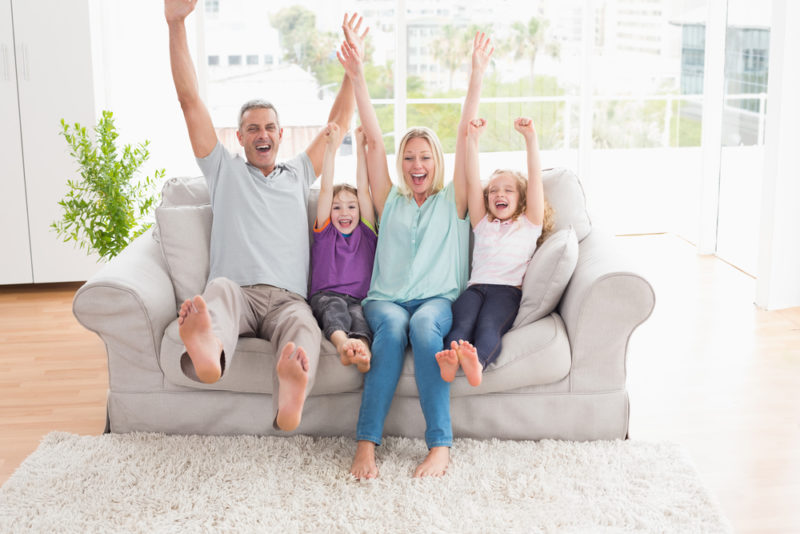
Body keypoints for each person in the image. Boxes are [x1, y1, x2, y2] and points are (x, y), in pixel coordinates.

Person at [164, 0, 367, 432]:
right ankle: (209, 351)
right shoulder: (223, 169)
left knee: (304, 326)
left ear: (280, 134)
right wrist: (176, 23)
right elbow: (189, 101)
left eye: (270, 127)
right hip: (238, 291)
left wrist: (353, 71)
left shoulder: (299, 173)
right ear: (239, 137)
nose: (262, 134)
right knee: (217, 292)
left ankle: (291, 394)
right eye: (253, 128)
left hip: (289, 299)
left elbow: (337, 125)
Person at [336, 33, 483, 479]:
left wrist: (476, 75)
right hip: (386, 299)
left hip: (436, 299)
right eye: (409, 158)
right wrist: (357, 76)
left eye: (425, 157)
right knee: (394, 328)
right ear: (401, 164)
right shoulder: (391, 200)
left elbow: (465, 133)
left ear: (437, 162)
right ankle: (366, 445)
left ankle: (440, 445)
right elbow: (373, 142)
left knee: (422, 326)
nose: (417, 165)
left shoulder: (454, 200)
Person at [435, 114, 553, 386]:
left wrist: (530, 138)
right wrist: (472, 140)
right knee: (461, 325)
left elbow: (535, 179)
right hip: (475, 289)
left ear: (522, 199)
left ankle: (477, 363)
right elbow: (472, 180)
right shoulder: (482, 223)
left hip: (507, 292)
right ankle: (451, 360)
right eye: (494, 191)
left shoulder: (529, 224)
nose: (499, 194)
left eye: (509, 190)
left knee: (489, 326)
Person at [308, 123, 377, 373]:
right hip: (326, 295)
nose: (344, 212)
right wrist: (331, 147)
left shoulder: (367, 234)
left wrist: (360, 146)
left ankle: (362, 351)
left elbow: (365, 191)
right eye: (337, 207)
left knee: (360, 317)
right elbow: (326, 189)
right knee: (334, 310)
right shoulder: (326, 233)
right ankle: (342, 345)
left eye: (351, 206)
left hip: (360, 299)